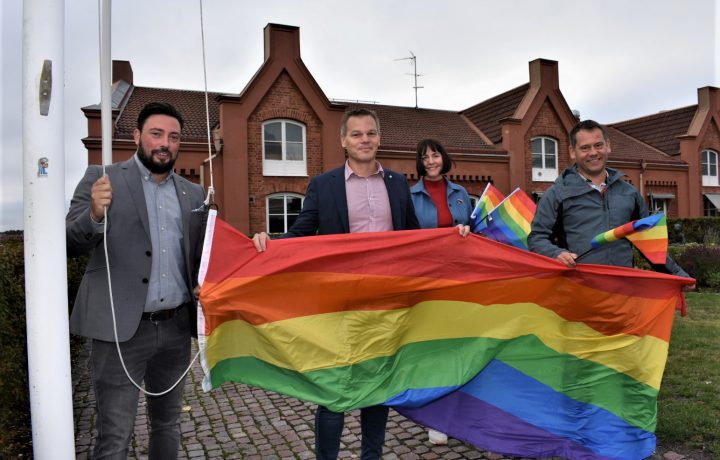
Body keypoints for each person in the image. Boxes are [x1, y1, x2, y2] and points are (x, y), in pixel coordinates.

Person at [252, 108, 420, 459]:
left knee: (378, 386)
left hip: (385, 305)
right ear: (343, 140)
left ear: (379, 138)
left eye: (371, 133)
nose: (365, 140)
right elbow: (302, 230)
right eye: (357, 134)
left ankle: (370, 456)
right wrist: (270, 244)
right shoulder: (324, 184)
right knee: (334, 389)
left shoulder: (398, 183)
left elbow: (417, 237)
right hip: (340, 305)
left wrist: (457, 236)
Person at [66, 102, 207, 459]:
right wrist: (95, 213)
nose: (165, 143)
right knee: (114, 435)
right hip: (118, 330)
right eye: (156, 134)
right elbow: (68, 242)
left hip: (175, 330)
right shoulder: (102, 178)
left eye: (173, 137)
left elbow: (203, 256)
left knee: (167, 425)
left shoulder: (193, 194)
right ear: (136, 136)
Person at [528, 119, 690, 279]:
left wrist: (678, 275)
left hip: (622, 290)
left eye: (598, 145)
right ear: (572, 152)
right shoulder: (557, 194)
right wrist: (556, 253)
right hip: (578, 290)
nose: (593, 153)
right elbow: (537, 238)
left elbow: (649, 243)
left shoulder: (629, 193)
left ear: (608, 146)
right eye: (585, 148)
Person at [410, 138, 471, 445]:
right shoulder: (410, 196)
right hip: (428, 282)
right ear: (419, 163)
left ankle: (455, 411)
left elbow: (475, 234)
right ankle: (435, 417)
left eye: (435, 155)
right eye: (425, 157)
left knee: (457, 348)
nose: (431, 161)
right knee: (433, 349)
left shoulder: (461, 194)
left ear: (443, 158)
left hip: (459, 281)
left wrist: (466, 232)